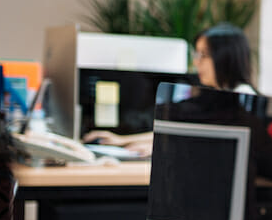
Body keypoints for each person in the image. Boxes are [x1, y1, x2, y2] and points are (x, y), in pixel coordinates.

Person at [83, 23, 258, 154]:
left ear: (225, 57)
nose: (196, 62)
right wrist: (121, 140)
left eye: (203, 55)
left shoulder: (242, 97)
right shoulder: (215, 96)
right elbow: (180, 133)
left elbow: (209, 146)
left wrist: (160, 149)